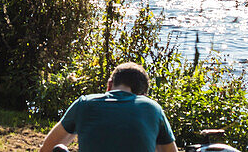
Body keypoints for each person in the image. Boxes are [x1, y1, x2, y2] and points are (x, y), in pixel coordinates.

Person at [40, 62, 178, 152]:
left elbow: (47, 149)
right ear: (142, 94)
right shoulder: (153, 108)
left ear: (109, 84)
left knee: (59, 149)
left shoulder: (85, 103)